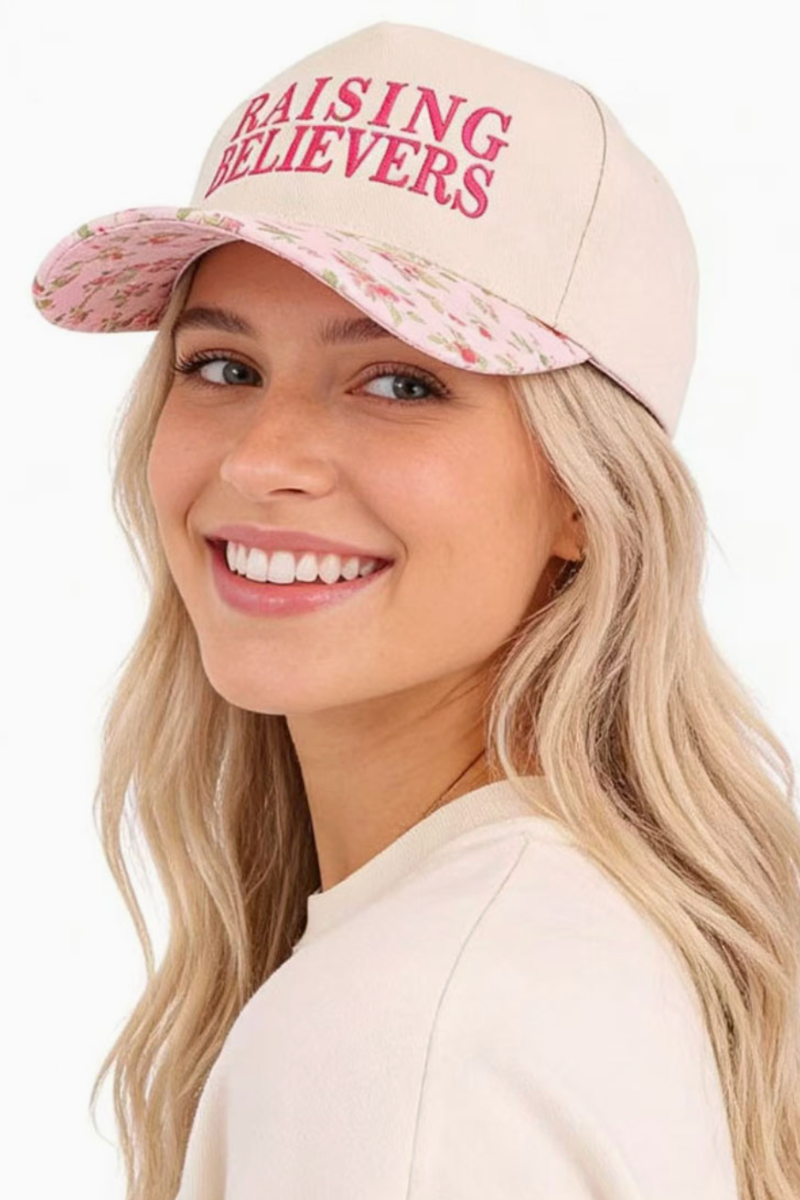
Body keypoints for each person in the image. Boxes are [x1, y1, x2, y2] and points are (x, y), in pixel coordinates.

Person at [30, 20, 800, 1200]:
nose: (263, 460)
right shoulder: (562, 936)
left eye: (400, 381)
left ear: (584, 499)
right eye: (221, 366)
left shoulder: (411, 1045)